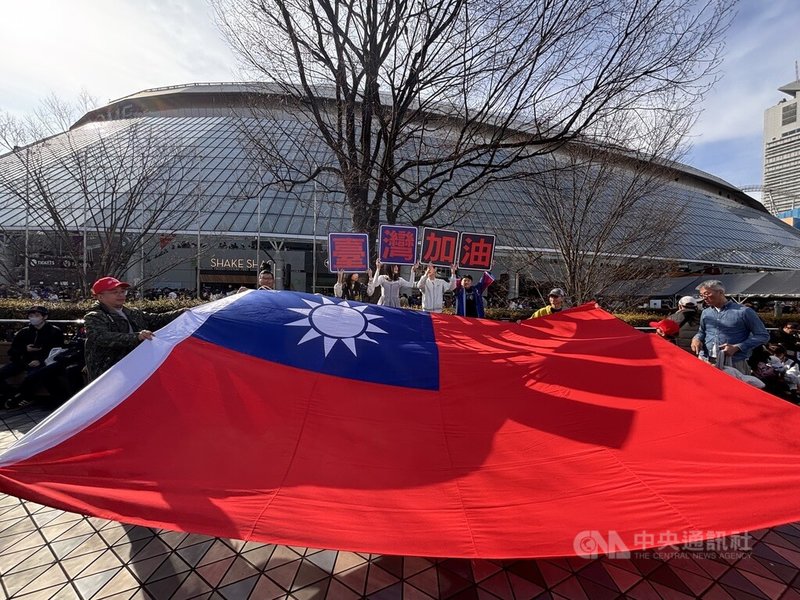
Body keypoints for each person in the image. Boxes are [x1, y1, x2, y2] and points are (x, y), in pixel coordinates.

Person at [84, 277, 186, 381]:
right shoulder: (94, 316)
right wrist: (137, 337)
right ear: (100, 297)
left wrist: (184, 312)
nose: (121, 295)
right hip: (109, 373)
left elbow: (158, 319)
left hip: (135, 369)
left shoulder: (133, 313)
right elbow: (101, 337)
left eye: (123, 292)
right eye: (114, 292)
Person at [691, 279, 770, 375]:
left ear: (720, 292)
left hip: (734, 362)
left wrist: (738, 347)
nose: (704, 298)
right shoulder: (706, 312)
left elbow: (763, 335)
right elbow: (702, 331)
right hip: (709, 360)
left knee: (735, 389)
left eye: (707, 294)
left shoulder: (743, 312)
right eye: (702, 295)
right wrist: (696, 338)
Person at [0, 305, 65, 409]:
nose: (33, 317)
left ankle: (18, 398)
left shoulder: (54, 332)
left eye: (37, 315)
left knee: (34, 376)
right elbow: (12, 351)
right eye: (31, 315)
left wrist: (40, 361)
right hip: (23, 362)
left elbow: (57, 351)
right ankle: (12, 395)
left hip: (44, 363)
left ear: (45, 317)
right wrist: (25, 350)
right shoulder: (23, 332)